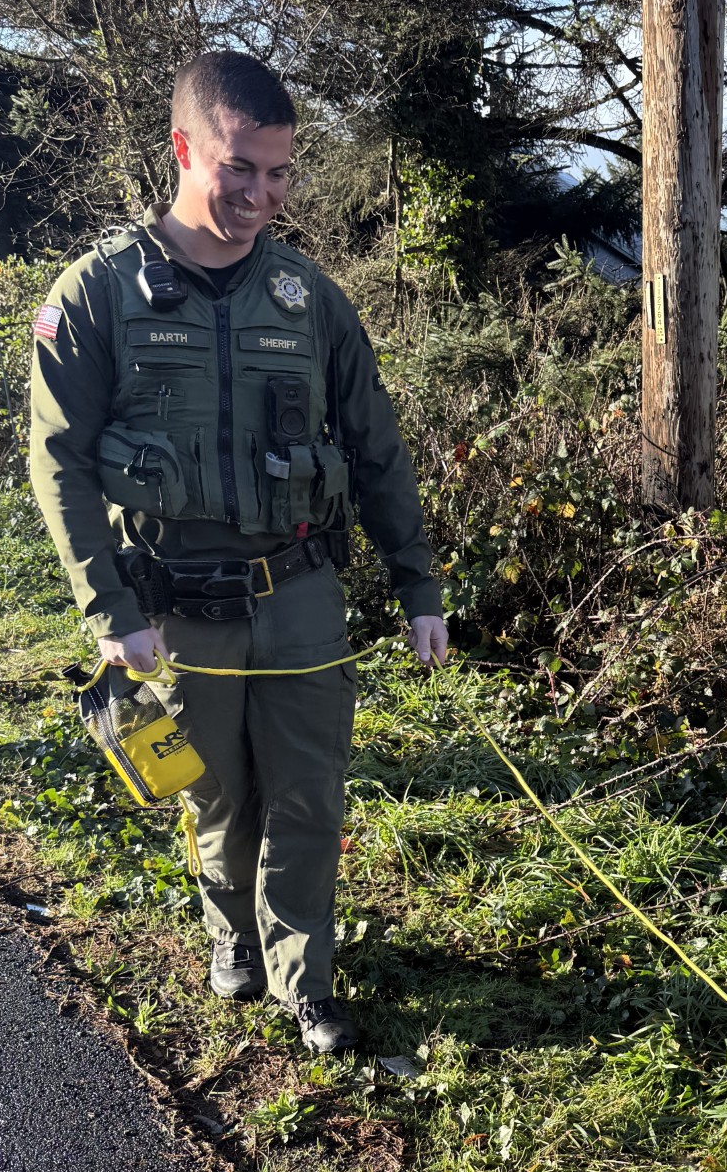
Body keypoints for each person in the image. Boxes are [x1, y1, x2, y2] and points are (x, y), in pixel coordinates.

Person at [29, 51, 447, 1055]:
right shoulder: (95, 294)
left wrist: (418, 584)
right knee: (211, 791)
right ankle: (233, 936)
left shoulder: (311, 299)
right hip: (174, 604)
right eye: (240, 169)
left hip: (299, 591)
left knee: (308, 792)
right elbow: (59, 462)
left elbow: (377, 449)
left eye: (280, 173)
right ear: (184, 149)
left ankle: (307, 979)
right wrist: (110, 611)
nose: (261, 196)